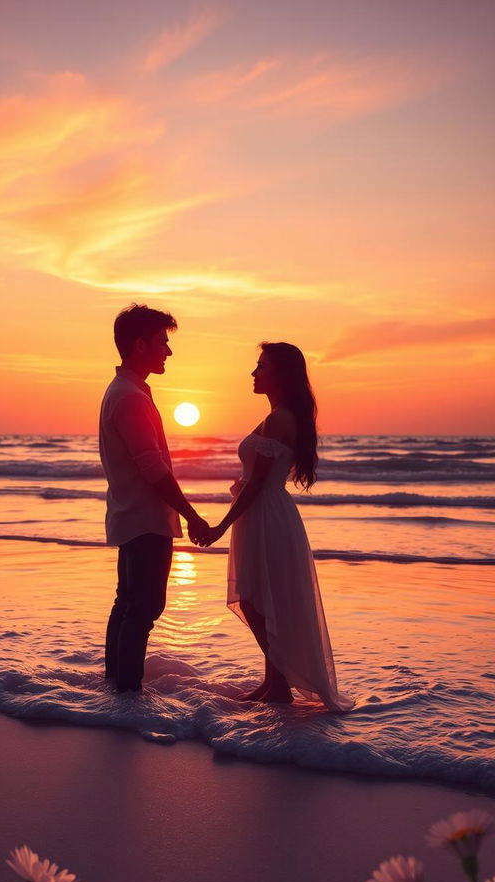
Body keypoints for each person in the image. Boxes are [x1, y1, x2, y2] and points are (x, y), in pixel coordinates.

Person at [199, 343, 353, 712]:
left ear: (282, 374)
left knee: (257, 598)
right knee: (258, 597)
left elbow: (255, 485)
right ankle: (273, 682)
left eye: (261, 366)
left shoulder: (281, 418)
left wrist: (220, 526)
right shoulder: (277, 416)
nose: (253, 372)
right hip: (263, 513)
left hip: (265, 514)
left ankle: (279, 683)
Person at [99, 304, 209, 693]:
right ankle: (126, 692)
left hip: (131, 516)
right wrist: (192, 516)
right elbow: (153, 469)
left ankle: (116, 686)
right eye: (163, 342)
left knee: (129, 605)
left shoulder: (127, 392)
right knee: (142, 608)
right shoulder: (129, 397)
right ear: (139, 344)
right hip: (144, 519)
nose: (168, 351)